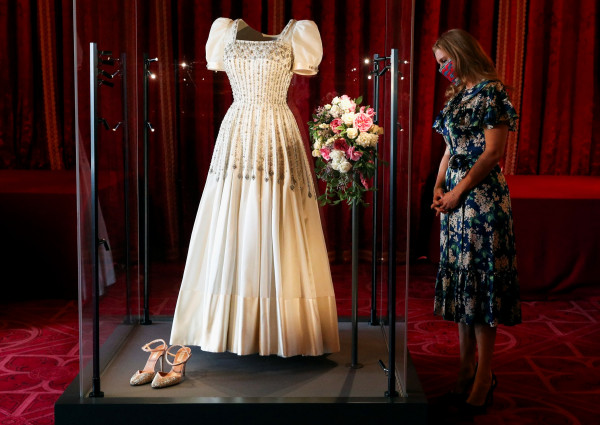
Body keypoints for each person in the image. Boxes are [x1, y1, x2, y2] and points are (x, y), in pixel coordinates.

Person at [169, 18, 340, 358]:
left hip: (277, 128)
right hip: (238, 130)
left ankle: (286, 327)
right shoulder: (223, 30)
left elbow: (305, 69)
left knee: (278, 217)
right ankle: (226, 326)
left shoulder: (301, 32)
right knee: (233, 214)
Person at [430, 29, 522, 414]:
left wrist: (458, 191)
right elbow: (451, 148)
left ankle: (484, 378)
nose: (441, 70)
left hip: (481, 201)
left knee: (481, 288)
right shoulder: (458, 97)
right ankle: (465, 371)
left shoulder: (491, 92)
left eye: (443, 61)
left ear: (460, 54)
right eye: (438, 64)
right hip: (454, 203)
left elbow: (492, 153)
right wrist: (437, 186)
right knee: (462, 285)